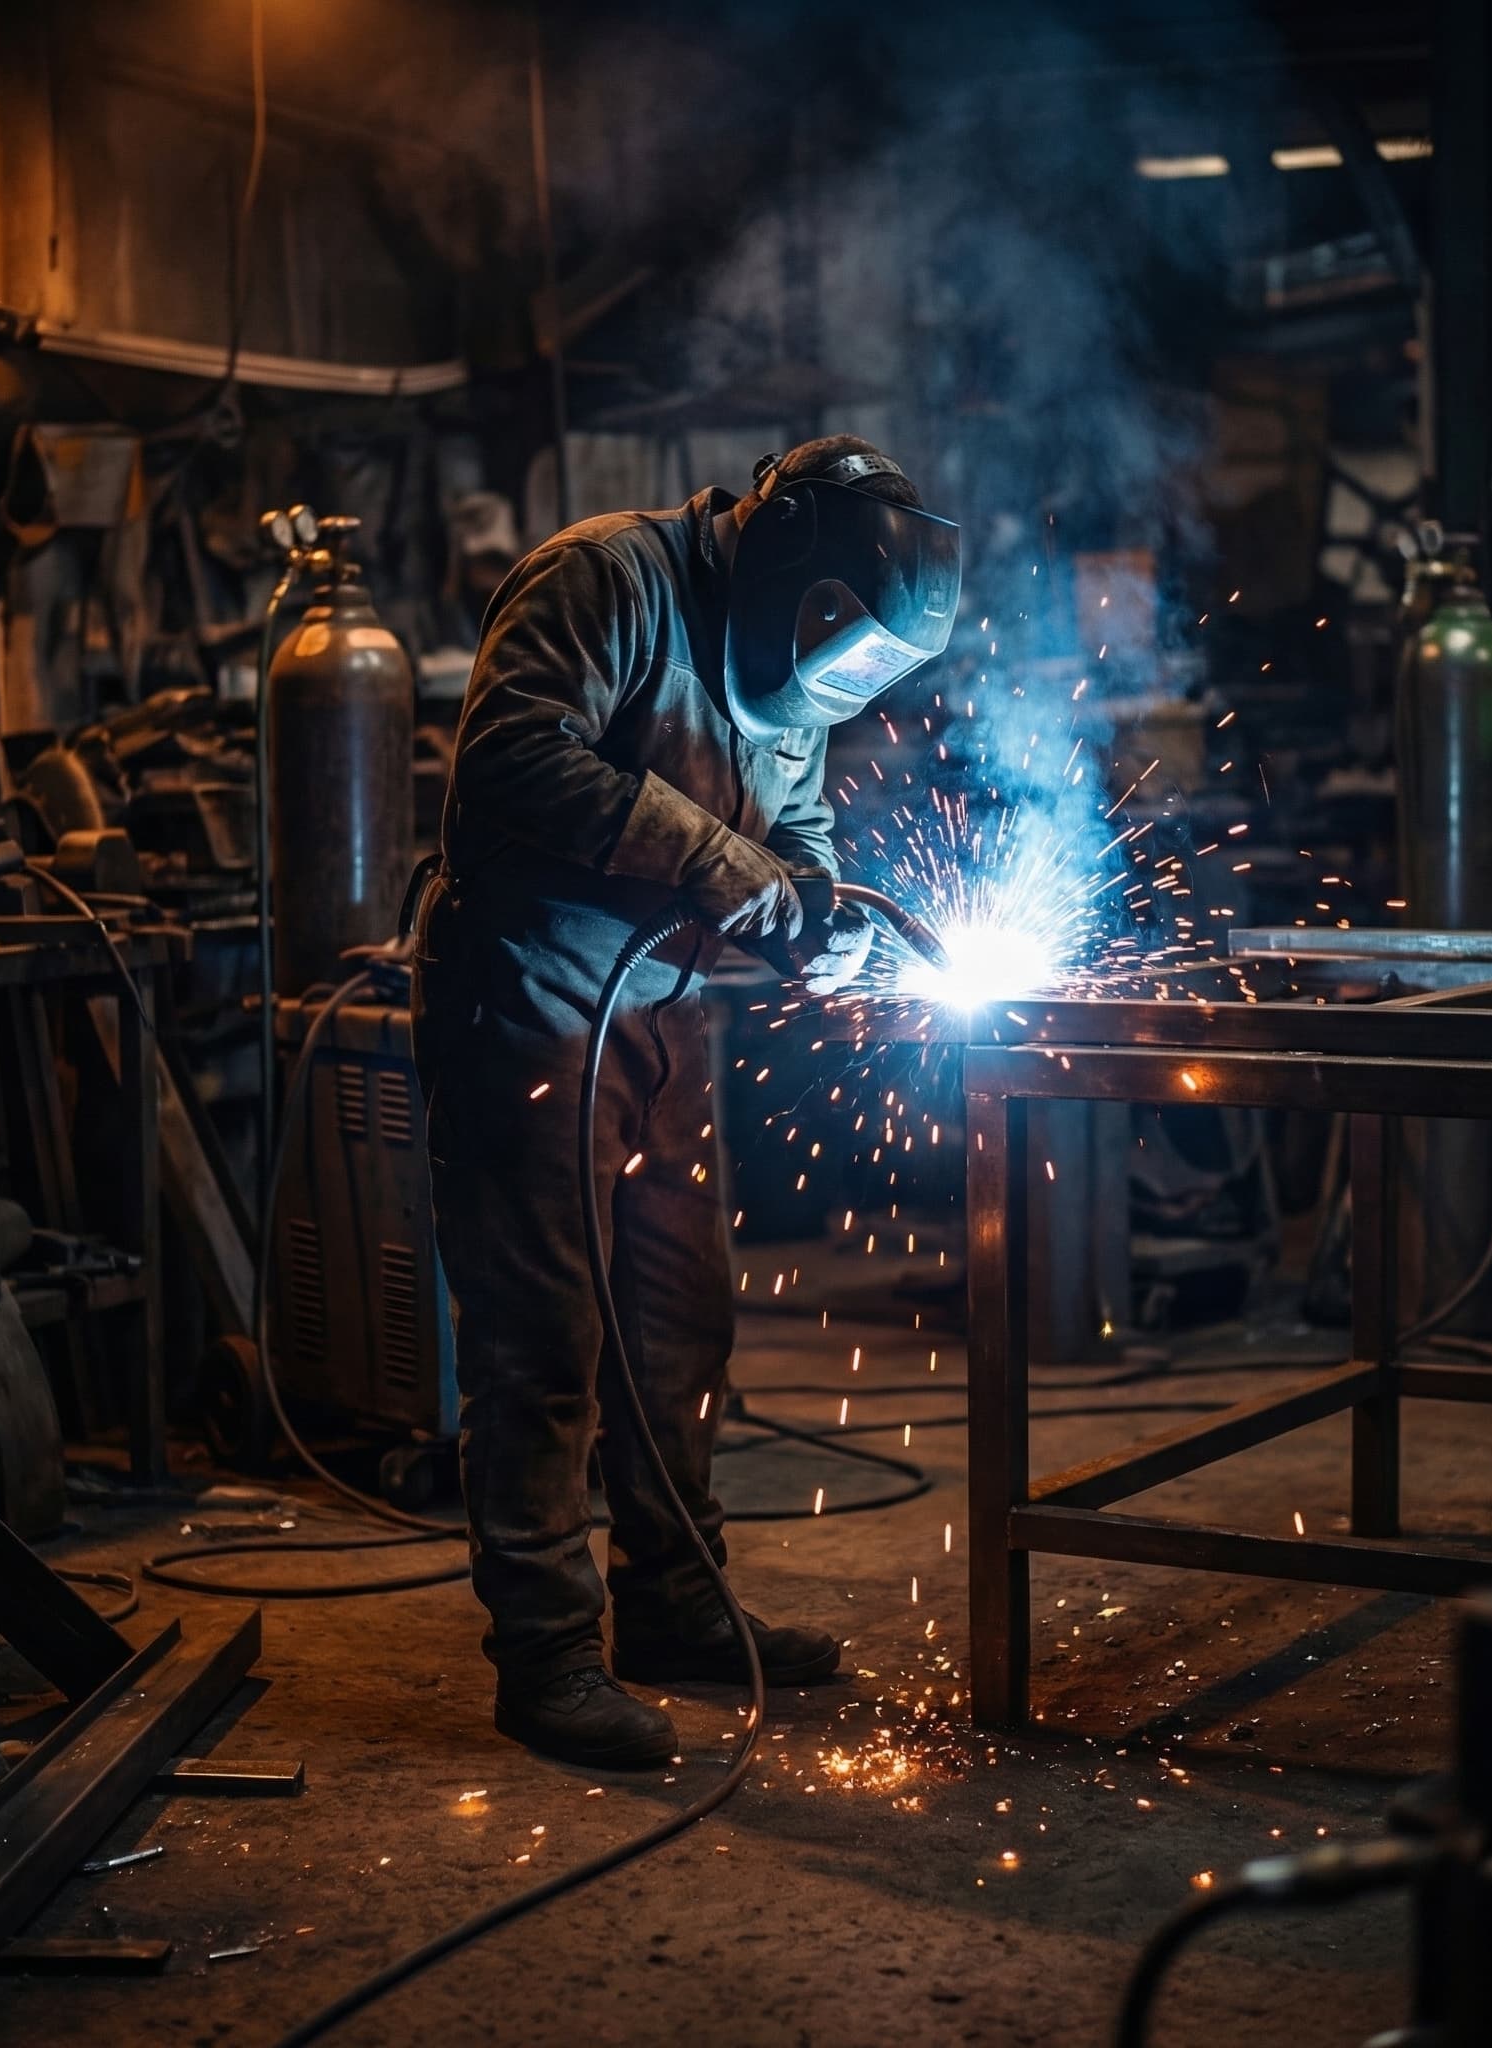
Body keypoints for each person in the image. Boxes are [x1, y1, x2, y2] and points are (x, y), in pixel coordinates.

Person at [412, 436, 960, 1768]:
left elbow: (799, 819)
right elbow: (512, 758)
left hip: (663, 1021)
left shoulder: (804, 655)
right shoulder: (603, 584)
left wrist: (818, 912)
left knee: (680, 1324)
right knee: (544, 1341)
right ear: (788, 571)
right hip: (530, 1005)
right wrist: (727, 871)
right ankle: (545, 1655)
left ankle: (671, 1604)